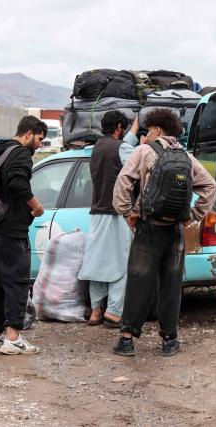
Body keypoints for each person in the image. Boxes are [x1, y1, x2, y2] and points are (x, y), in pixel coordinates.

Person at [112, 108, 216, 357]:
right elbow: (211, 187)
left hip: (148, 228)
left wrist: (127, 213)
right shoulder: (185, 156)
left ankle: (126, 340)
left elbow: (123, 183)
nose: (146, 135)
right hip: (174, 232)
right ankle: (169, 340)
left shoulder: (144, 151)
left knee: (139, 282)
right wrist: (192, 217)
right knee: (171, 285)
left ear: (157, 129)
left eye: (148, 130)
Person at [0, 116, 47, 355]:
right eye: (39, 139)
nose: (40, 144)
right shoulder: (20, 153)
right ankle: (13, 338)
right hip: (12, 228)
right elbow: (18, 184)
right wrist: (36, 205)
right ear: (28, 134)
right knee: (17, 283)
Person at [78, 112, 139, 327]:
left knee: (98, 263)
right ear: (119, 127)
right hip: (117, 214)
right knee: (120, 264)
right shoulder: (120, 148)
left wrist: (134, 128)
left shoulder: (97, 147)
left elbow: (121, 147)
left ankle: (96, 311)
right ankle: (113, 312)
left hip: (97, 214)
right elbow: (135, 160)